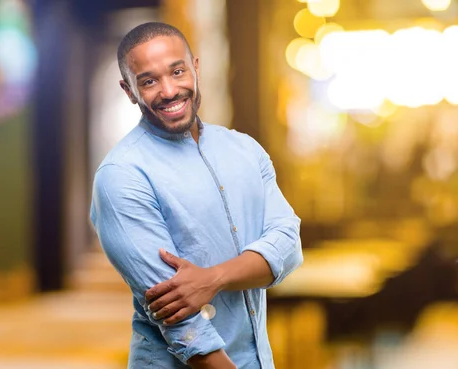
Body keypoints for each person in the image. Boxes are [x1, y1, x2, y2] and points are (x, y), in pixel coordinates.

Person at [90, 22, 303, 369]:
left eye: (177, 71)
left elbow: (288, 246)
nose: (169, 90)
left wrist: (211, 278)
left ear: (196, 67)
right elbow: (181, 322)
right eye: (148, 81)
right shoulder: (121, 176)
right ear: (128, 90)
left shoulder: (245, 150)